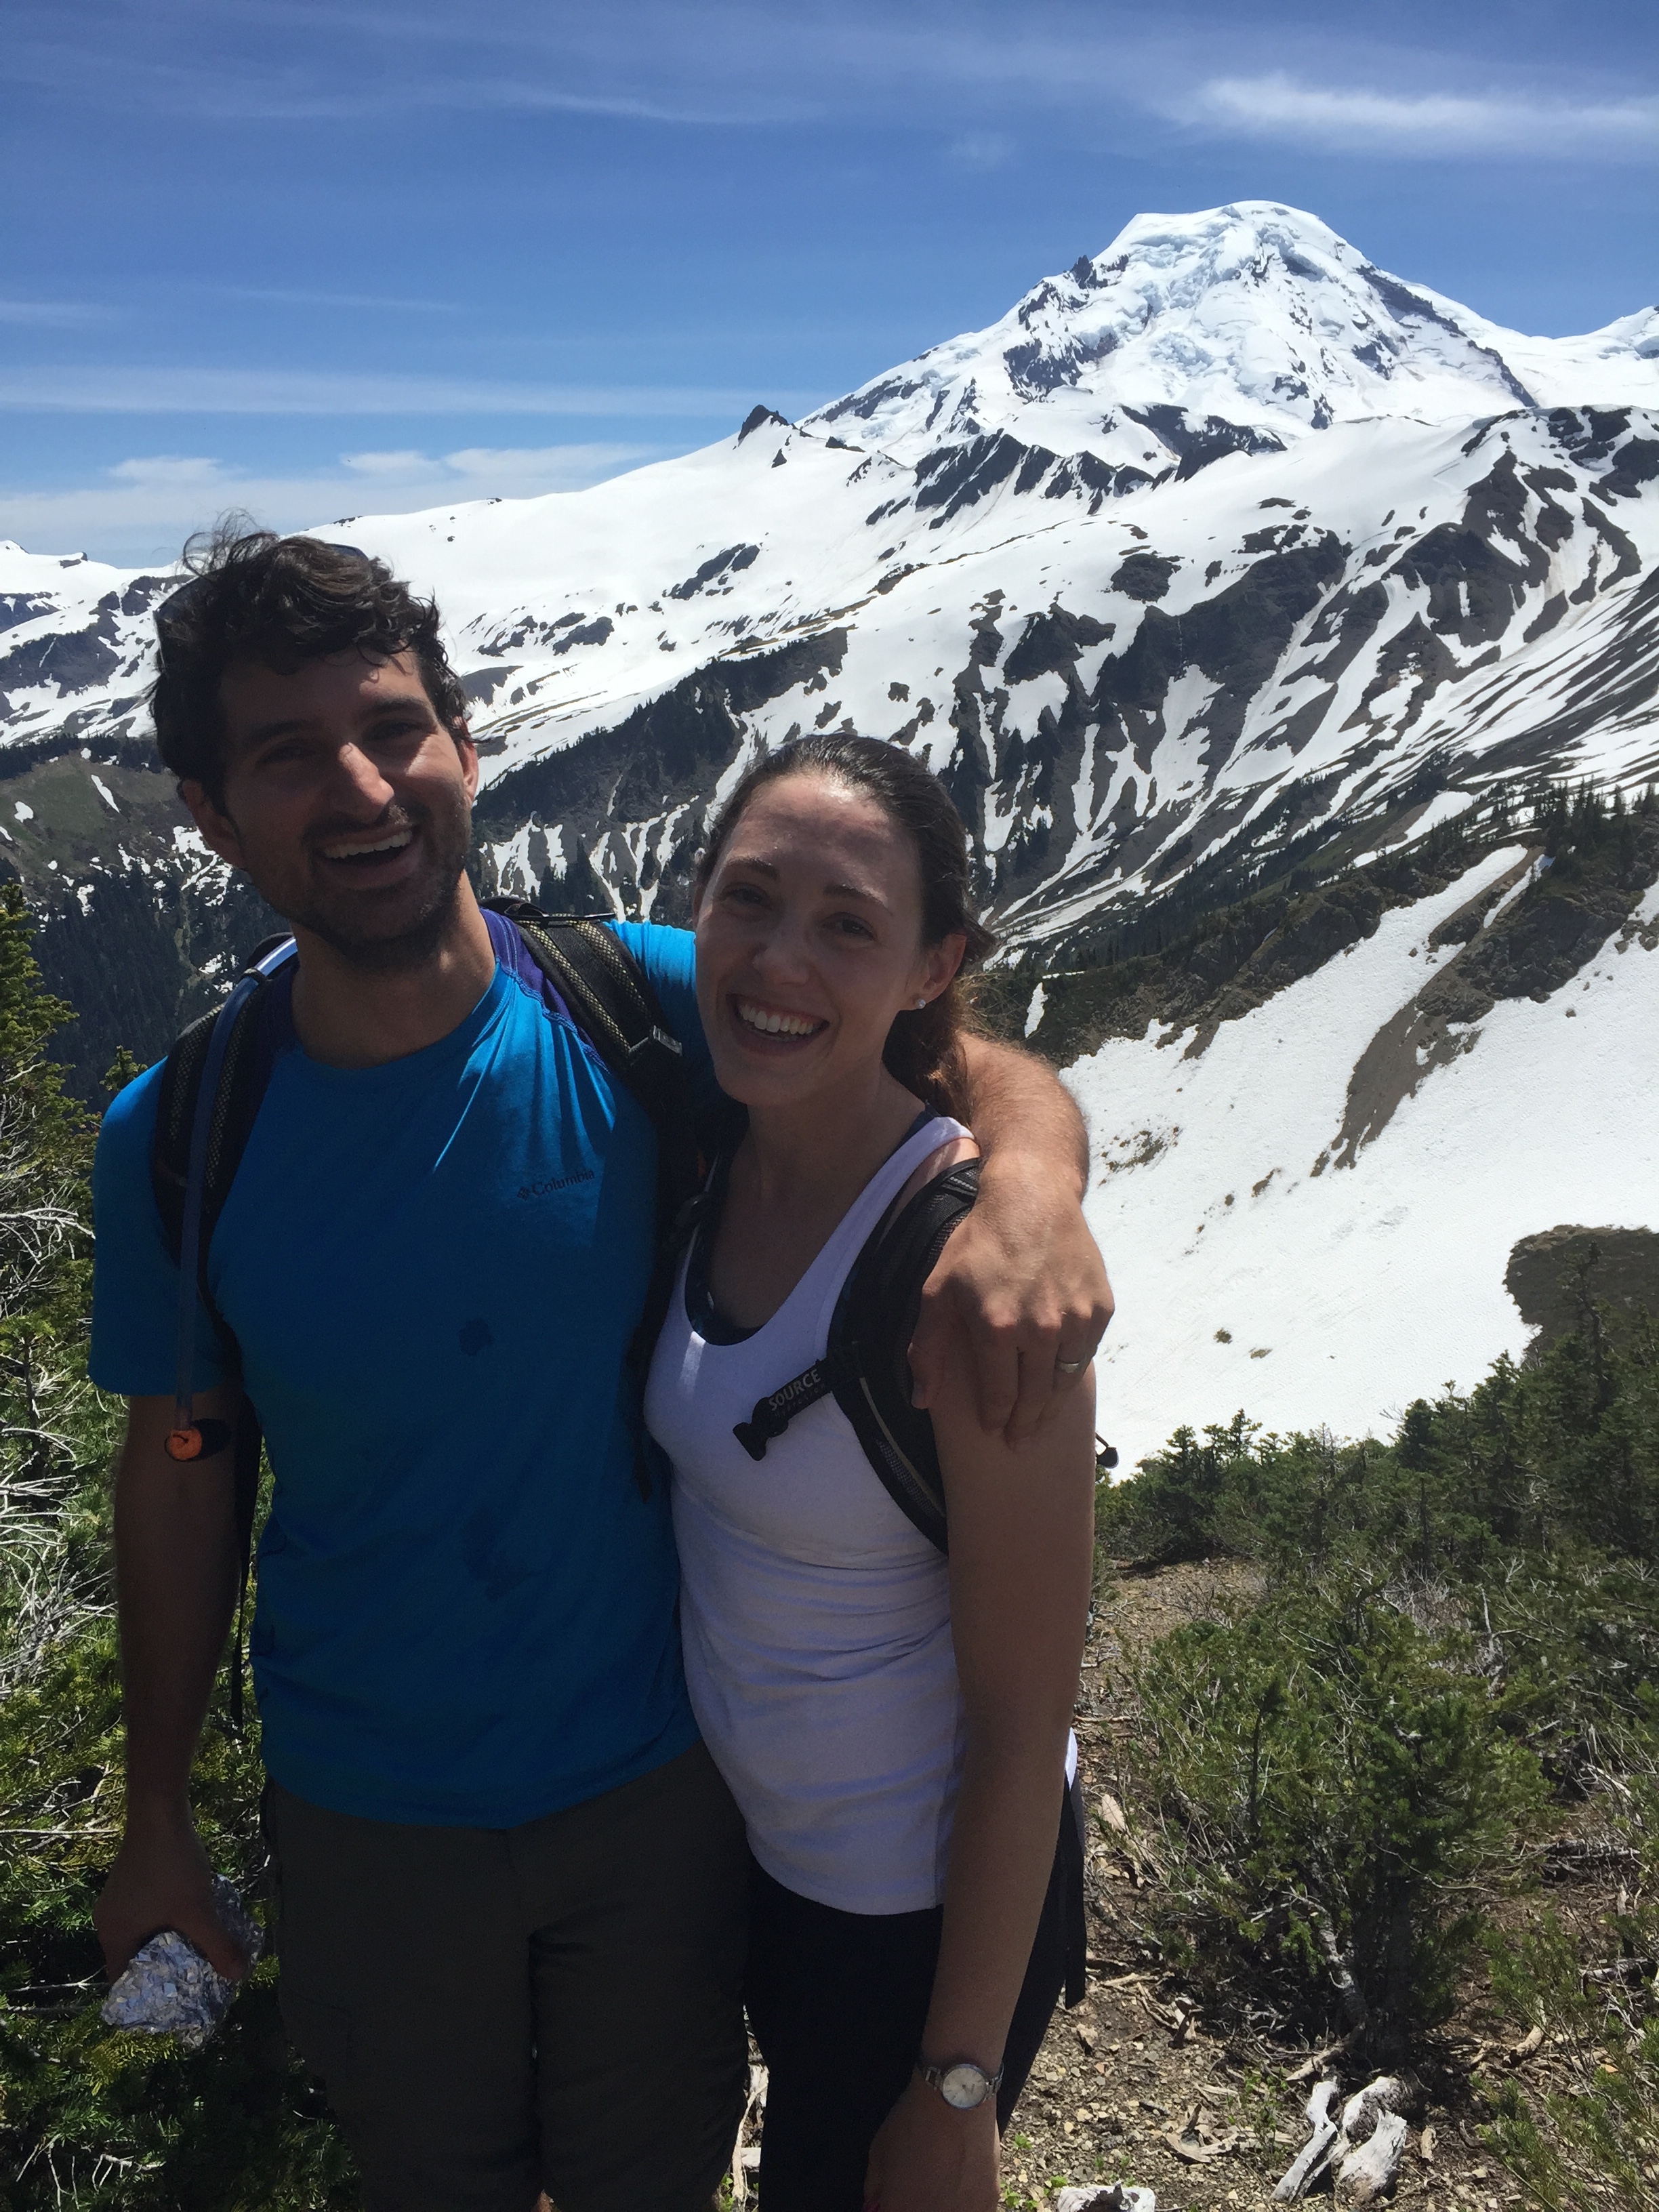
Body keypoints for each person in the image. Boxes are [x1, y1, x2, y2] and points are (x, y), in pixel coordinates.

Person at [87, 529, 1113, 2212]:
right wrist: (155, 1814)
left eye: (395, 730)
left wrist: (1033, 1188)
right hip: (371, 1813)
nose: (362, 789)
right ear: (209, 813)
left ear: (466, 745)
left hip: (658, 1802)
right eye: (287, 756)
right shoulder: (183, 1136)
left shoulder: (638, 1005)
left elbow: (939, 1047)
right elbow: (183, 1467)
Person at [644, 735, 1099, 2212]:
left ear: (929, 967)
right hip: (771, 1863)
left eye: (849, 925)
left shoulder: (971, 1287)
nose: (781, 958)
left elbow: (1025, 1725)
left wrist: (957, 2085)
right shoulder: (717, 1134)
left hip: (911, 1916)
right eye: (749, 899)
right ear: (695, 909)